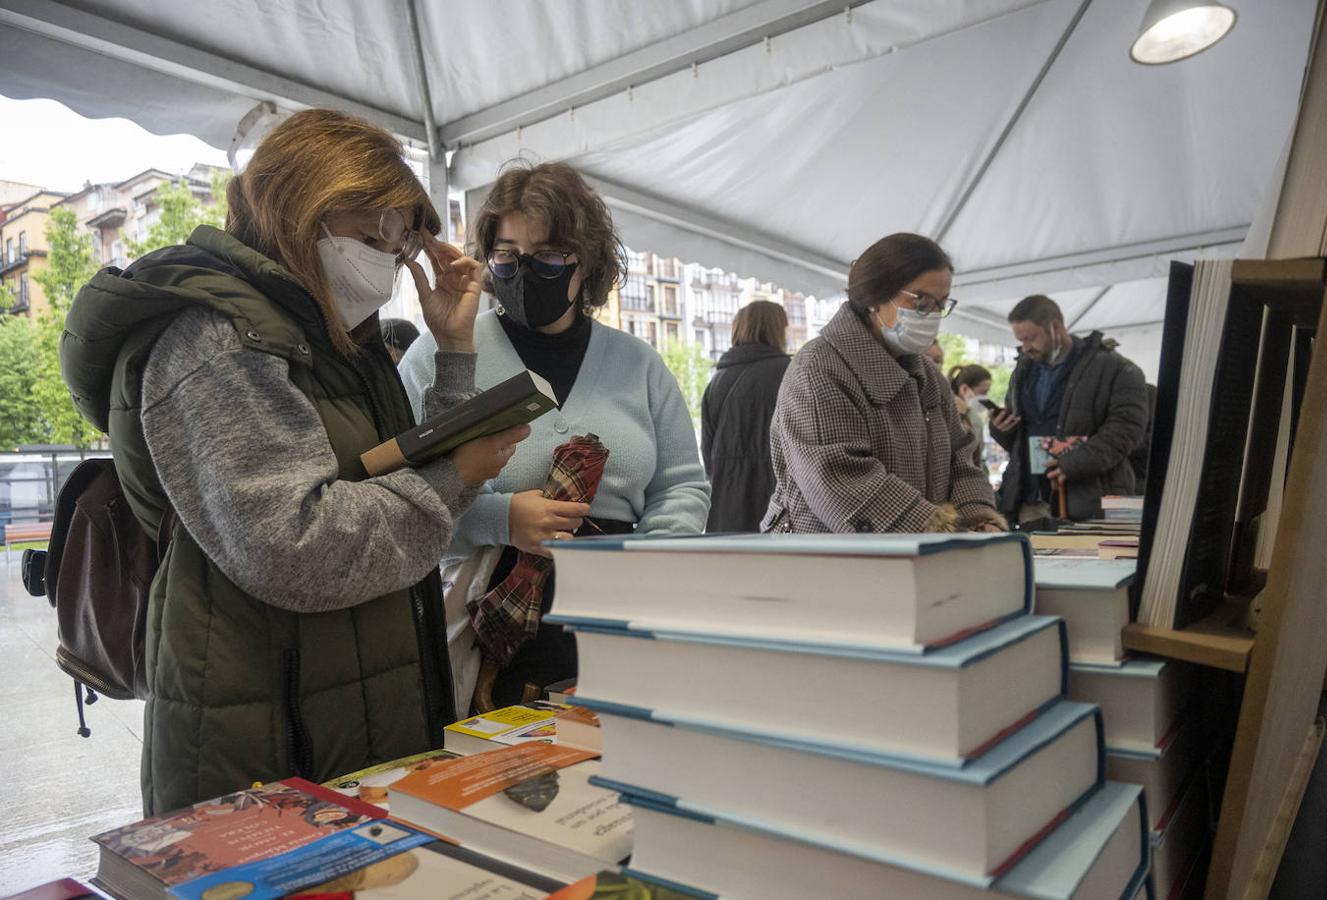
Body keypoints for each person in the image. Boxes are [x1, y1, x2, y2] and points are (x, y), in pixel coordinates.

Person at [61, 109, 528, 814]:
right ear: (306, 203)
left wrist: (454, 348)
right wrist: (453, 474)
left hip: (343, 707)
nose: (394, 256)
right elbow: (294, 544)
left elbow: (400, 482)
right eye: (381, 230)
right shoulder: (219, 339)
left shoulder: (329, 338)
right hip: (266, 738)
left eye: (401, 238)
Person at [400, 161, 709, 710]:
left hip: (619, 617)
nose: (523, 269)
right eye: (507, 252)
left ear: (584, 261)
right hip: (491, 620)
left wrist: (648, 562)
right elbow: (402, 497)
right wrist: (498, 518)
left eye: (547, 255)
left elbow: (682, 485)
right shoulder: (444, 352)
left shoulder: (637, 364)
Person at [761, 233, 1005, 534]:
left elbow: (962, 459)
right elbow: (840, 480)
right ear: (876, 296)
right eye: (922, 301)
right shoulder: (817, 370)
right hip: (825, 563)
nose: (933, 315)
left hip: (917, 555)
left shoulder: (929, 377)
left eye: (941, 304)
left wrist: (978, 519)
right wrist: (938, 531)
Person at [988, 294, 1148, 522]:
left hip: (1092, 503)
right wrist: (1001, 429)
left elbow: (1127, 430)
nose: (1025, 348)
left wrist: (1072, 464)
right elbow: (1019, 441)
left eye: (1031, 338)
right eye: (1020, 340)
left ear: (1055, 327)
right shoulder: (1022, 372)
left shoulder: (1115, 368)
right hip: (1029, 502)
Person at [700, 300, 792, 532]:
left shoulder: (717, 382)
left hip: (724, 514)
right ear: (776, 330)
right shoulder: (790, 373)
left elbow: (707, 456)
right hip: (777, 514)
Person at [948, 363, 993, 475]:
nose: (986, 397)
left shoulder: (973, 416)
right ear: (964, 389)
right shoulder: (952, 414)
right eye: (983, 392)